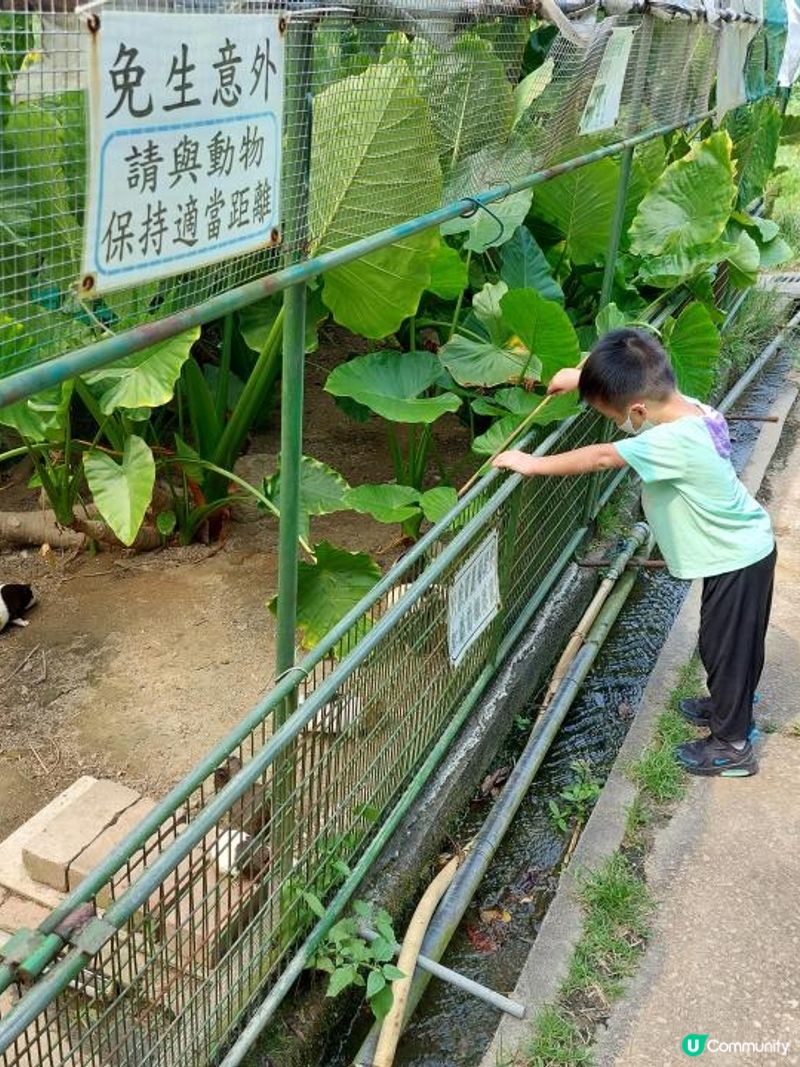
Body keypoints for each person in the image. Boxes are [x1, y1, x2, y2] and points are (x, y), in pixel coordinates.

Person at [492, 327, 776, 778]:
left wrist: (532, 464)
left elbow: (604, 457)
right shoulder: (691, 411)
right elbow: (624, 374)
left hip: (737, 559)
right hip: (742, 551)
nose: (615, 422)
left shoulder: (669, 441)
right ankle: (728, 703)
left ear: (638, 410)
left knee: (727, 648)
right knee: (728, 645)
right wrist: (579, 374)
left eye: (613, 414)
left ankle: (733, 743)